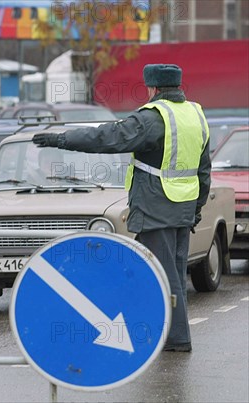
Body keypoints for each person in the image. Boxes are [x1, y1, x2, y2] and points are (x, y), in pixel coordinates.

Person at [32, 64, 211, 353]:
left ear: (152, 88)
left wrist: (61, 139)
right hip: (183, 208)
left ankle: (175, 338)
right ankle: (163, 332)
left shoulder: (154, 118)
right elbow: (204, 170)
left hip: (156, 207)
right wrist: (198, 207)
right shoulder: (195, 114)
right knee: (171, 273)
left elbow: (108, 137)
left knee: (161, 275)